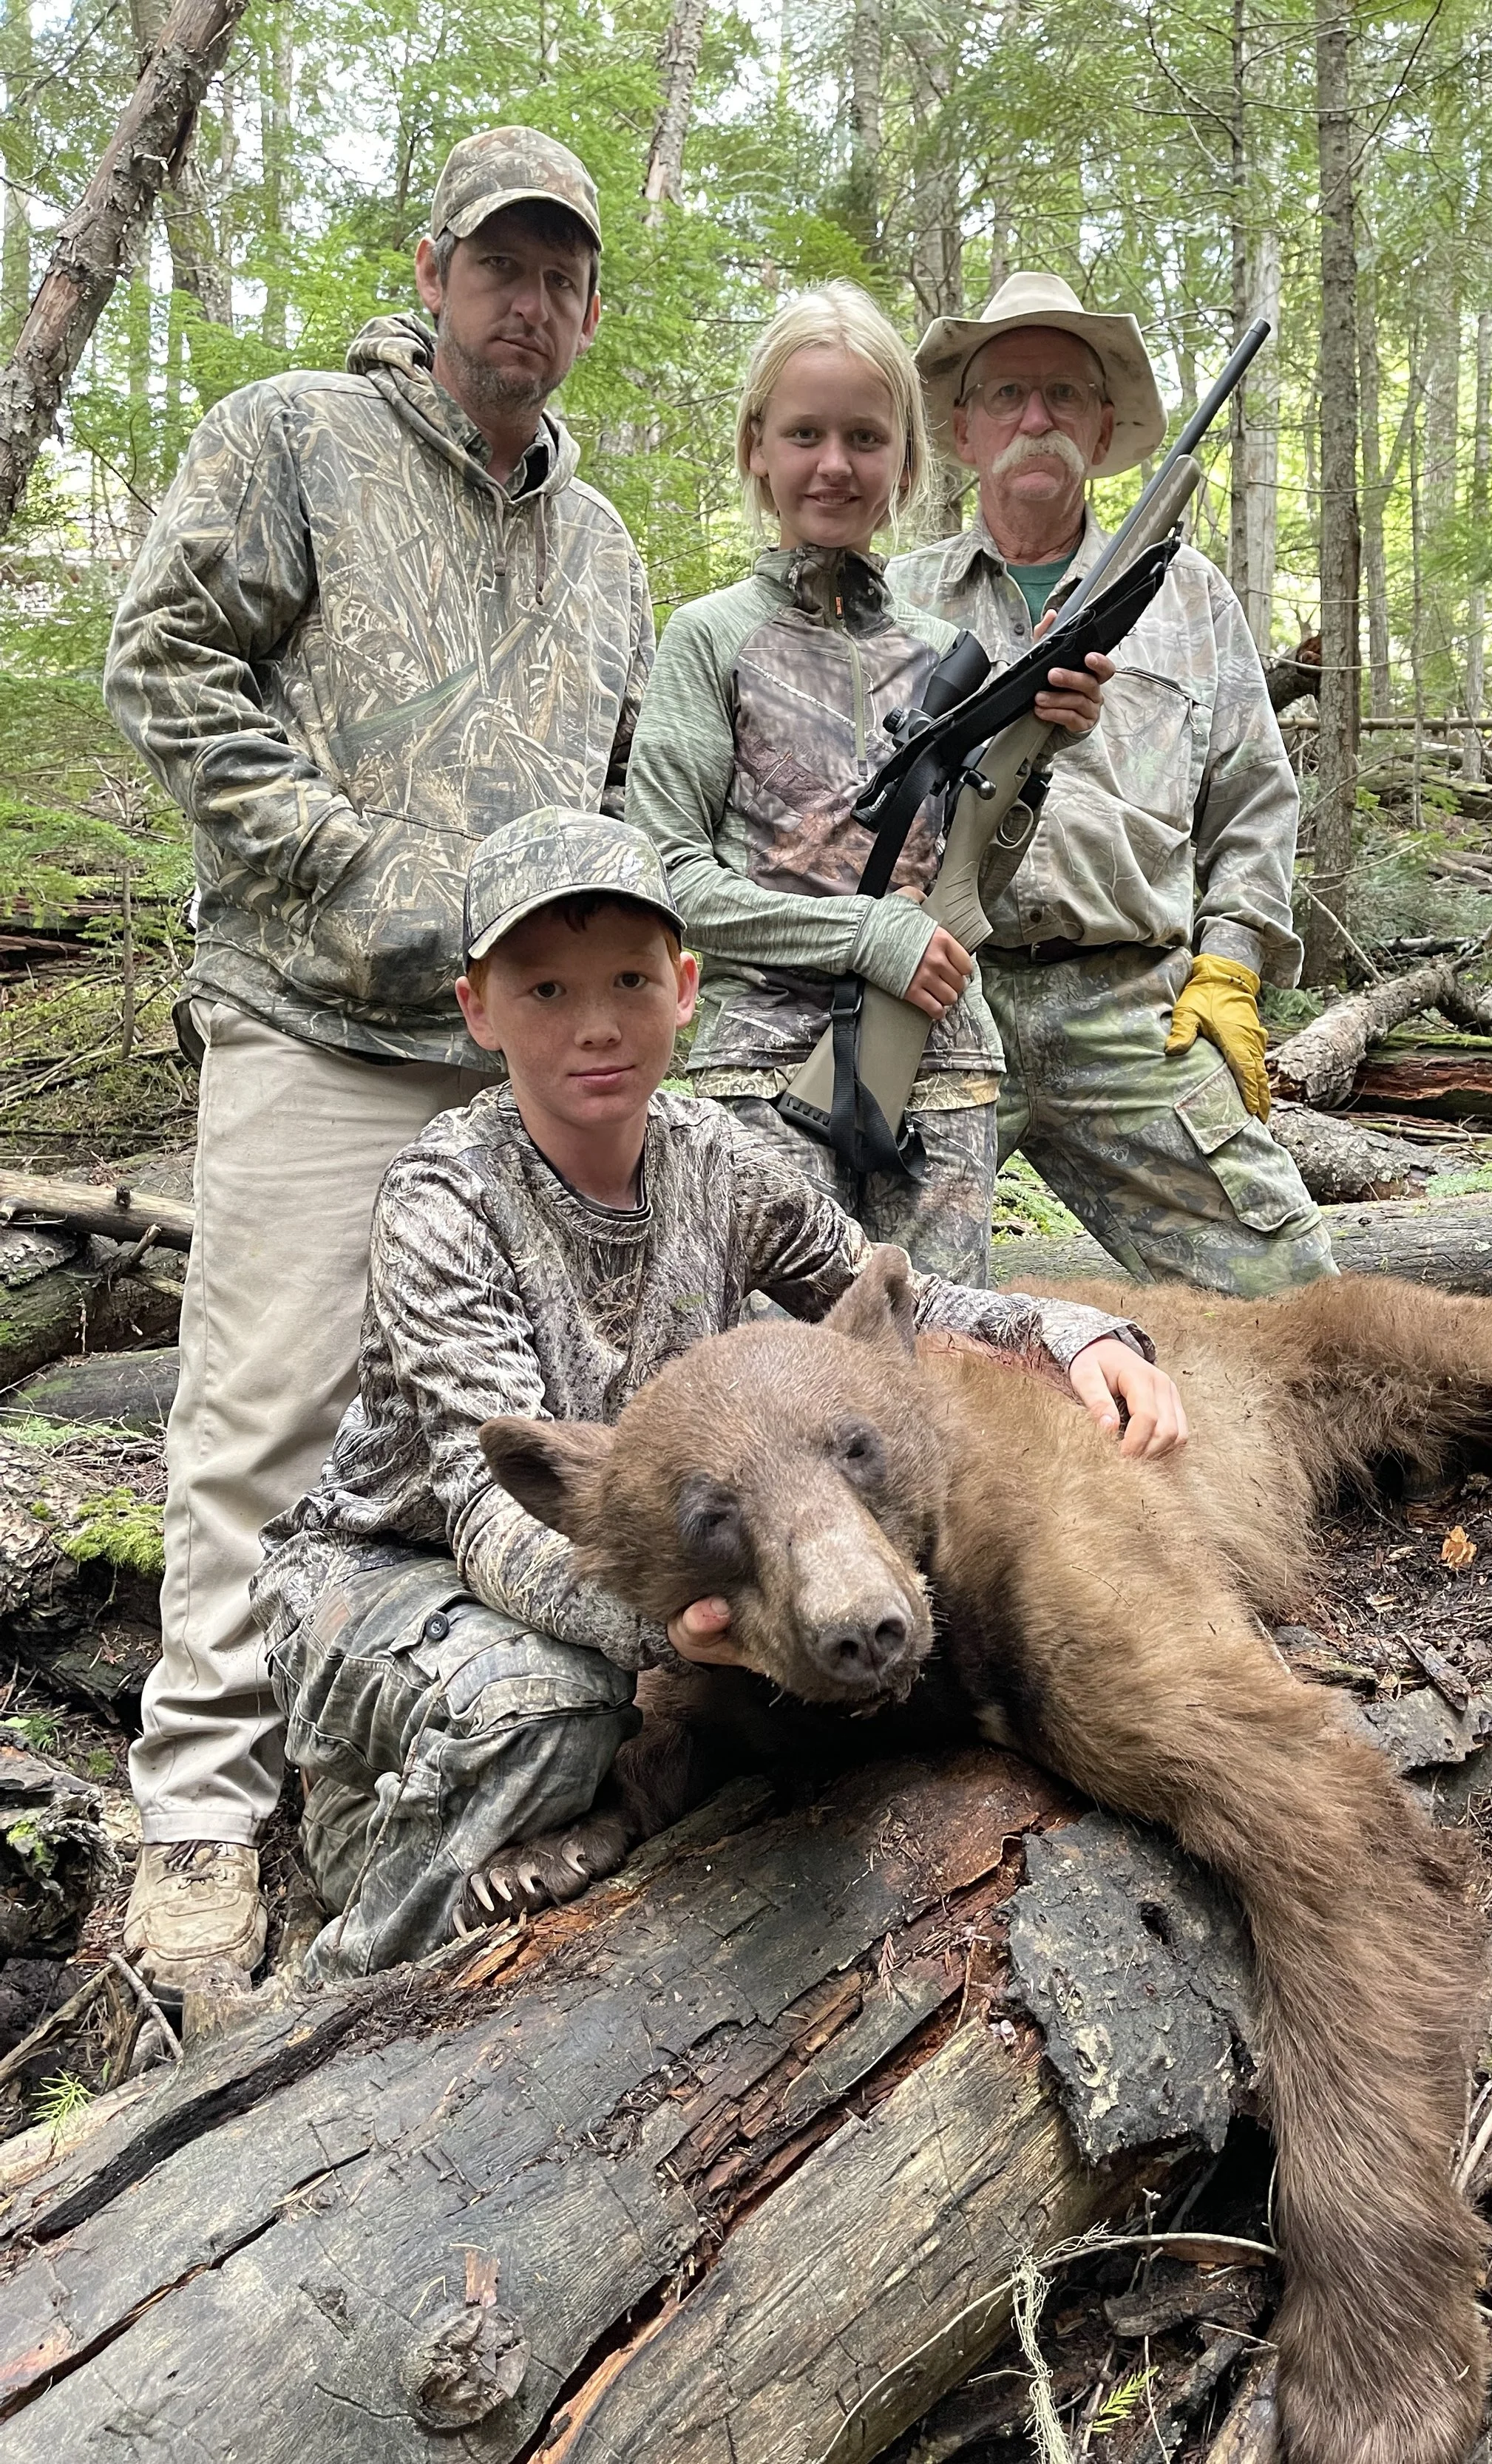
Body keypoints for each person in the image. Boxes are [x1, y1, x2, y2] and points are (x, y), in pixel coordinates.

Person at [252, 812, 1184, 1983]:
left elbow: (888, 1298)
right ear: (478, 1010)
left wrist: (1075, 1334)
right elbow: (487, 1514)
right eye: (545, 993)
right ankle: (345, 1986)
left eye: (630, 981)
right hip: (388, 1568)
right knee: (548, 1710)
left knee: (651, 1724)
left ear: (685, 989)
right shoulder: (444, 1198)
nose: (597, 1025)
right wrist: (703, 1626)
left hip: (658, 1550)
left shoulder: (717, 1159)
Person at [104, 127, 654, 1994]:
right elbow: (163, 665)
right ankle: (191, 1818)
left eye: (564, 275)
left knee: (494, 1430)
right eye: (501, 263)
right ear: (430, 276)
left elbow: (619, 812)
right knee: (264, 1415)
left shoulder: (605, 552)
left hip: (520, 1071)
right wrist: (358, 878)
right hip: (314, 1023)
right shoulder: (291, 441)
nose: (532, 301)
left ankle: (396, 1788)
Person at [625, 281, 1110, 1285]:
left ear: (908, 459)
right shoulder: (710, 637)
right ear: (757, 445)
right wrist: (870, 937)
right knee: (776, 1395)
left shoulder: (949, 651)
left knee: (943, 1380)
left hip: (942, 1072)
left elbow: (967, 889)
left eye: (865, 438)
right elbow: (671, 882)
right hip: (757, 1081)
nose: (836, 465)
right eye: (805, 434)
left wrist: (1035, 768)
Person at [888, 274, 1337, 1295]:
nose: (1033, 419)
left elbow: (1257, 799)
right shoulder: (899, 598)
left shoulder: (1188, 596)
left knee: (1298, 1298)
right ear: (964, 430)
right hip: (942, 998)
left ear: (1101, 432)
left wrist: (1229, 965)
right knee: (855, 1303)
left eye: (1063, 397)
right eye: (1006, 395)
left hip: (1133, 1007)